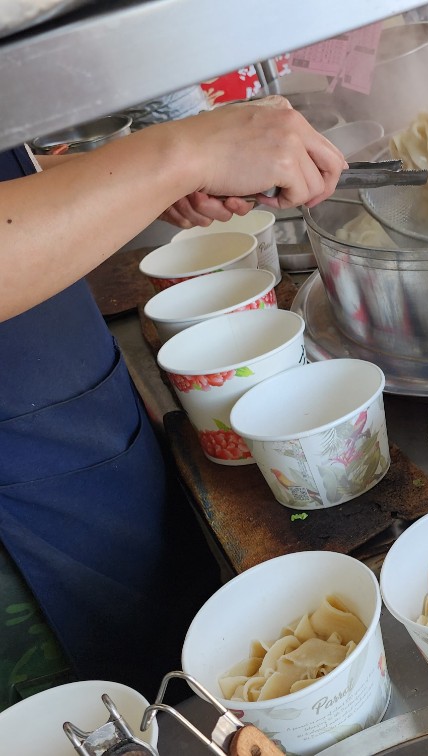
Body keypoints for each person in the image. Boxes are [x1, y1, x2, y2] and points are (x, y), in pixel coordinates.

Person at [0, 95, 346, 698]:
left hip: (74, 426)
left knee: (183, 674)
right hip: (22, 545)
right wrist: (180, 154)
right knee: (107, 716)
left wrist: (128, 179)